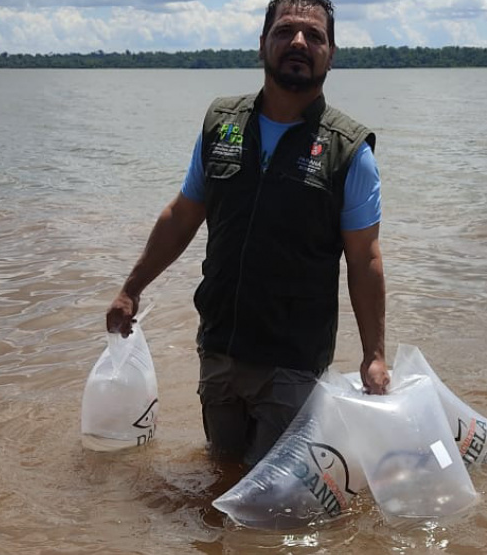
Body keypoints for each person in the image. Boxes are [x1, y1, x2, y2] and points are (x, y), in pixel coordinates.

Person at [106, 0, 389, 466]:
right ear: (263, 44)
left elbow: (365, 260)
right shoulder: (222, 124)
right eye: (285, 31)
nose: (299, 42)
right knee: (221, 472)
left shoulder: (348, 150)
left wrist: (373, 355)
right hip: (218, 347)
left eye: (314, 36)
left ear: (331, 53)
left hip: (293, 363)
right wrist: (130, 289)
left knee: (272, 503)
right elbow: (182, 215)